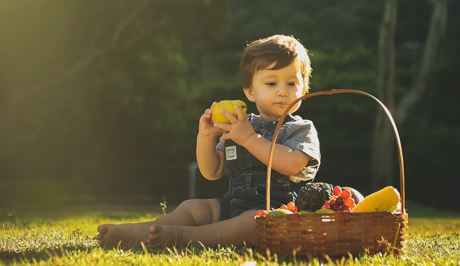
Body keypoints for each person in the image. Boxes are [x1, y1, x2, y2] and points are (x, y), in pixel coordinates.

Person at [96, 34, 320, 250]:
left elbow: (291, 164)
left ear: (304, 89)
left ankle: (187, 237)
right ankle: (138, 232)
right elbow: (211, 171)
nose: (282, 91)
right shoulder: (237, 123)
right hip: (231, 205)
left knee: (256, 222)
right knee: (192, 207)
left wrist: (250, 139)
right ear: (250, 92)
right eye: (271, 83)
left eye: (292, 83)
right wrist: (206, 137)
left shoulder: (300, 129)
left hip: (275, 211)